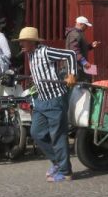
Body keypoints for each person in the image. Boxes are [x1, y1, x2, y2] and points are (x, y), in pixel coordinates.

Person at [16, 26, 76, 182]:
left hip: (55, 99)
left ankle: (65, 172)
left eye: (23, 41)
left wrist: (71, 74)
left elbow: (70, 54)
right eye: (21, 41)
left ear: (32, 42)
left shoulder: (45, 52)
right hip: (41, 99)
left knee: (58, 136)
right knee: (36, 133)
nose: (21, 44)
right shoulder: (29, 54)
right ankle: (57, 162)